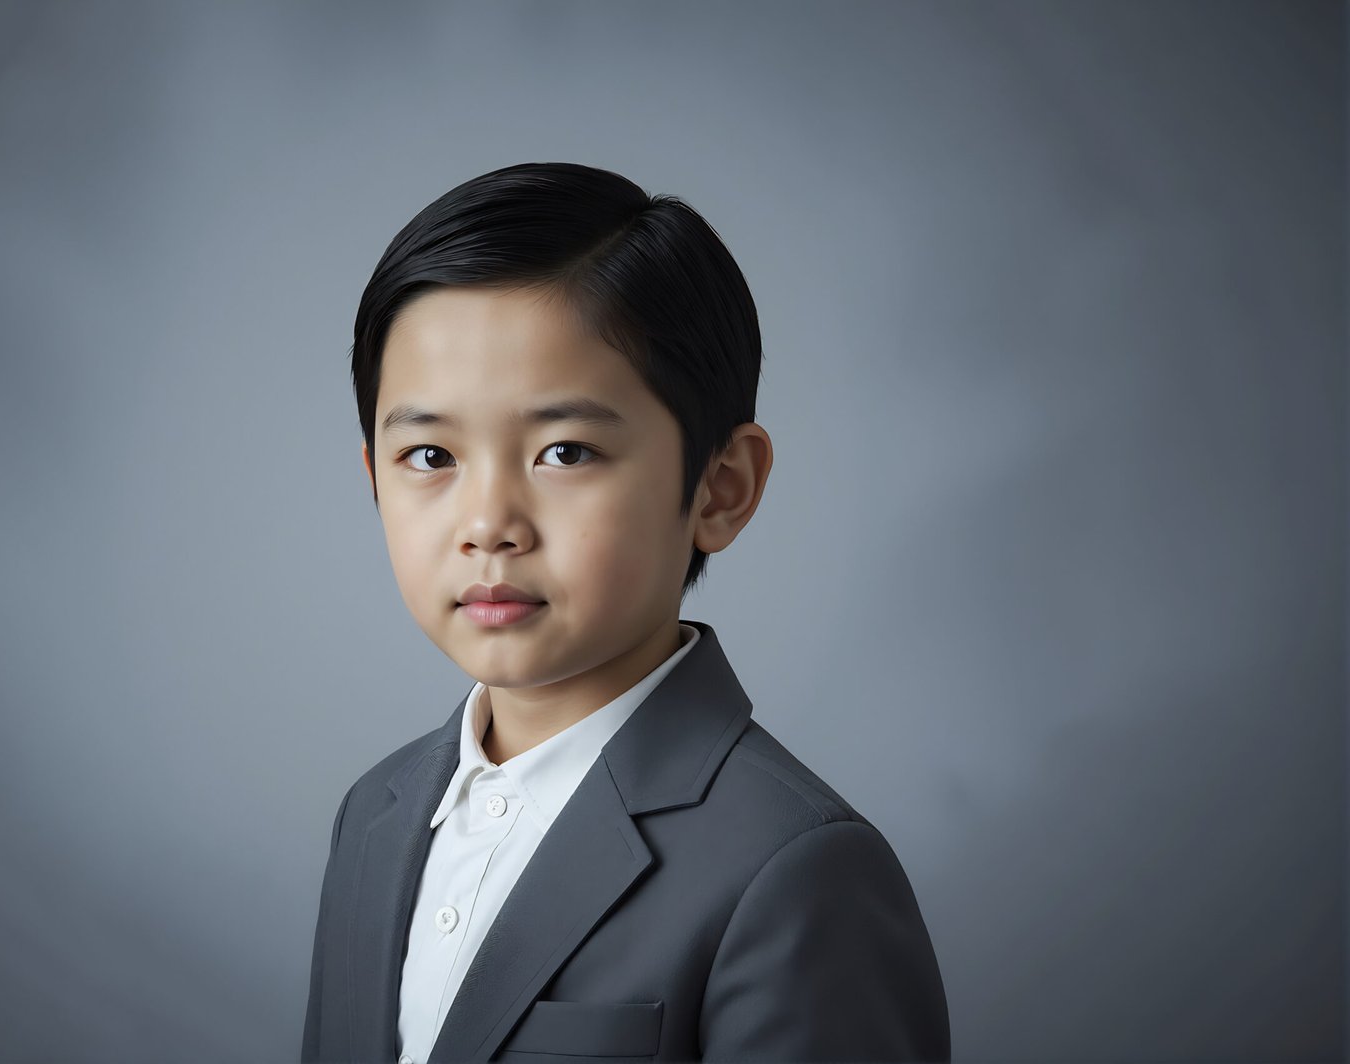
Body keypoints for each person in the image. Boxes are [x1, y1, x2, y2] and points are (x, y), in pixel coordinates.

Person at [301, 161, 950, 1063]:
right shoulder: (375, 812)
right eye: (430, 455)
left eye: (565, 451)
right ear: (374, 478)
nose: (488, 524)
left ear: (721, 488)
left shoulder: (793, 870)